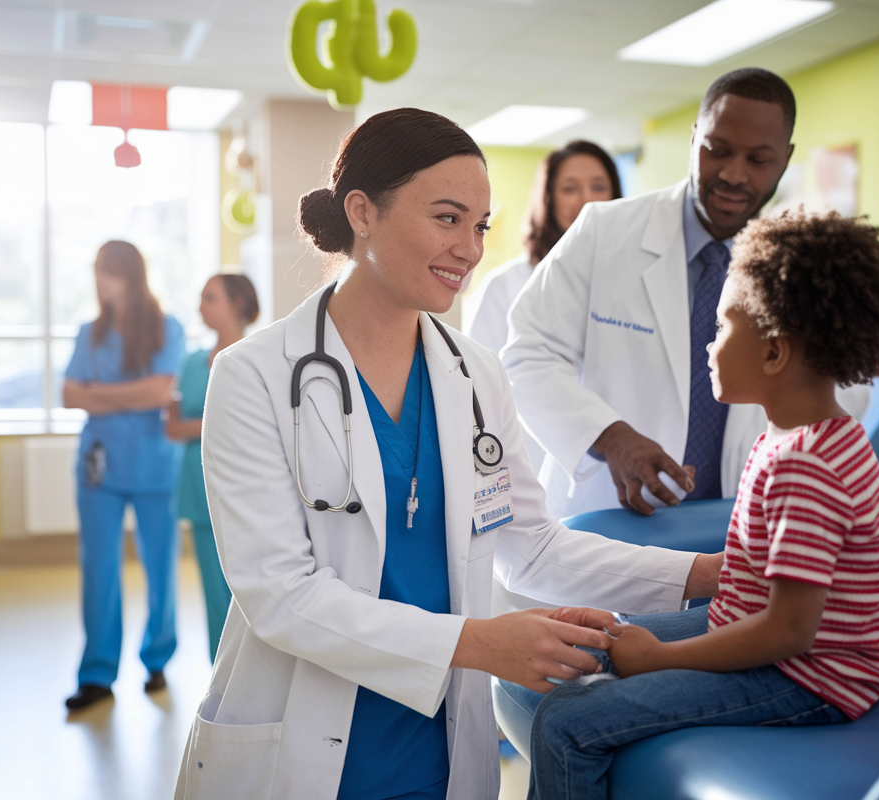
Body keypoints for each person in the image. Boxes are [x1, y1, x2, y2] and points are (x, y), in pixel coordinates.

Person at [173, 108, 722, 800]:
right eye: (446, 218)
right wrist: (480, 644)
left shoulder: (475, 374)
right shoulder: (254, 376)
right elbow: (280, 596)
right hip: (303, 752)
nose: (469, 248)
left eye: (481, 224)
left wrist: (707, 573)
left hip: (440, 756)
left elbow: (535, 549)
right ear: (363, 211)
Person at [522, 211, 879, 800]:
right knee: (583, 654)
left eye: (723, 328)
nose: (708, 344)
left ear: (775, 353)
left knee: (567, 723)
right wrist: (625, 636)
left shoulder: (807, 463)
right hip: (773, 634)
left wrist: (657, 659)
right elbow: (760, 580)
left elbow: (790, 630)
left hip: (813, 676)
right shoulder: (799, 437)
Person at [503, 68, 870, 520]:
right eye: (717, 151)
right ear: (695, 137)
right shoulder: (604, 233)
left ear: (785, 157)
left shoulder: (803, 265)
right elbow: (525, 358)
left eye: (758, 160)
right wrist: (610, 436)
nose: (734, 175)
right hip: (609, 523)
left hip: (743, 519)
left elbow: (842, 388)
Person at [62, 240, 185, 711]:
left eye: (109, 271)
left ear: (132, 275)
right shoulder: (88, 332)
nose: (100, 279)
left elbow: (159, 392)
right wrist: (125, 395)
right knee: (98, 568)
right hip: (99, 465)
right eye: (96, 270)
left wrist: (100, 393)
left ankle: (157, 658)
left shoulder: (165, 328)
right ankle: (96, 672)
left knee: (160, 565)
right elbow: (71, 395)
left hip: (154, 464)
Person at [466, 141, 622, 476]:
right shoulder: (506, 284)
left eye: (598, 186)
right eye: (570, 188)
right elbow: (478, 387)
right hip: (527, 458)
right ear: (548, 199)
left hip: (617, 462)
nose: (587, 199)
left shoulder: (631, 280)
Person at [165, 272, 259, 662]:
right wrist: (218, 422)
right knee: (212, 594)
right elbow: (171, 427)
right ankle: (218, 680)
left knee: (248, 594)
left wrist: (199, 425)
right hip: (196, 486)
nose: (201, 306)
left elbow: (256, 425)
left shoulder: (256, 356)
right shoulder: (191, 362)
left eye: (210, 298)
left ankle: (252, 678)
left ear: (237, 304)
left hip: (246, 491)